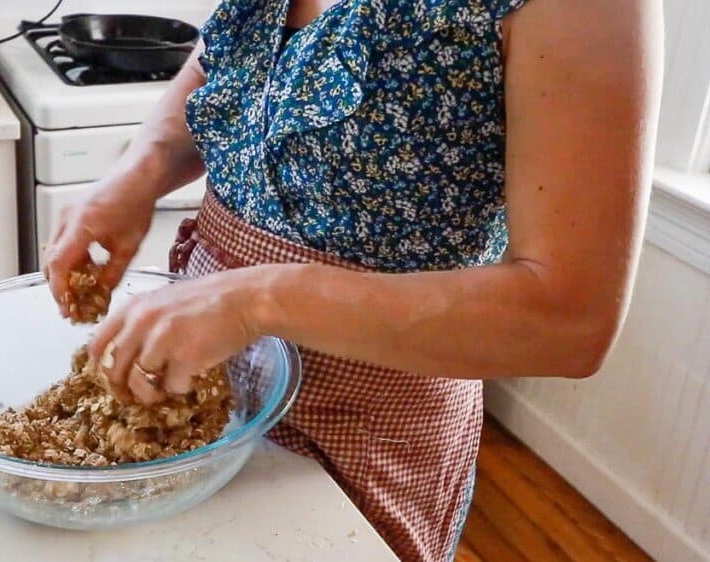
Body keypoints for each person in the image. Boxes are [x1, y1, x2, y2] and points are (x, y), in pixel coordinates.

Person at [44, 0, 663, 559]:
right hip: (196, 410)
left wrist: (255, 300)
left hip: (366, 433)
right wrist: (140, 169)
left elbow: (571, 320)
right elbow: (227, 74)